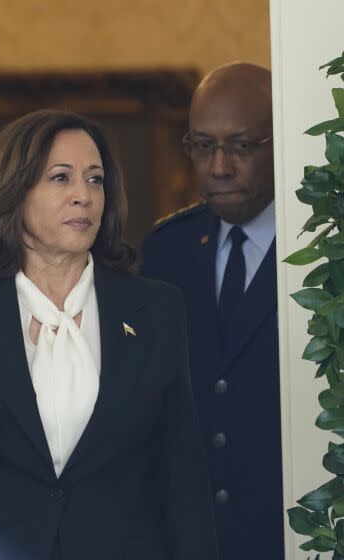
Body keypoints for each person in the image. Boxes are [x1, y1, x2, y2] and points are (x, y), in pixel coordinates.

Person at [0, 109, 218, 560]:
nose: (83, 196)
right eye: (61, 178)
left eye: (95, 179)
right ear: (14, 190)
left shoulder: (157, 310)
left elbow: (183, 479)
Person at [140, 62, 280, 560]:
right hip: (188, 540)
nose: (219, 166)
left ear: (281, 138)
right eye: (203, 146)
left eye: (241, 146)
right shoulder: (165, 252)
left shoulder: (325, 250)